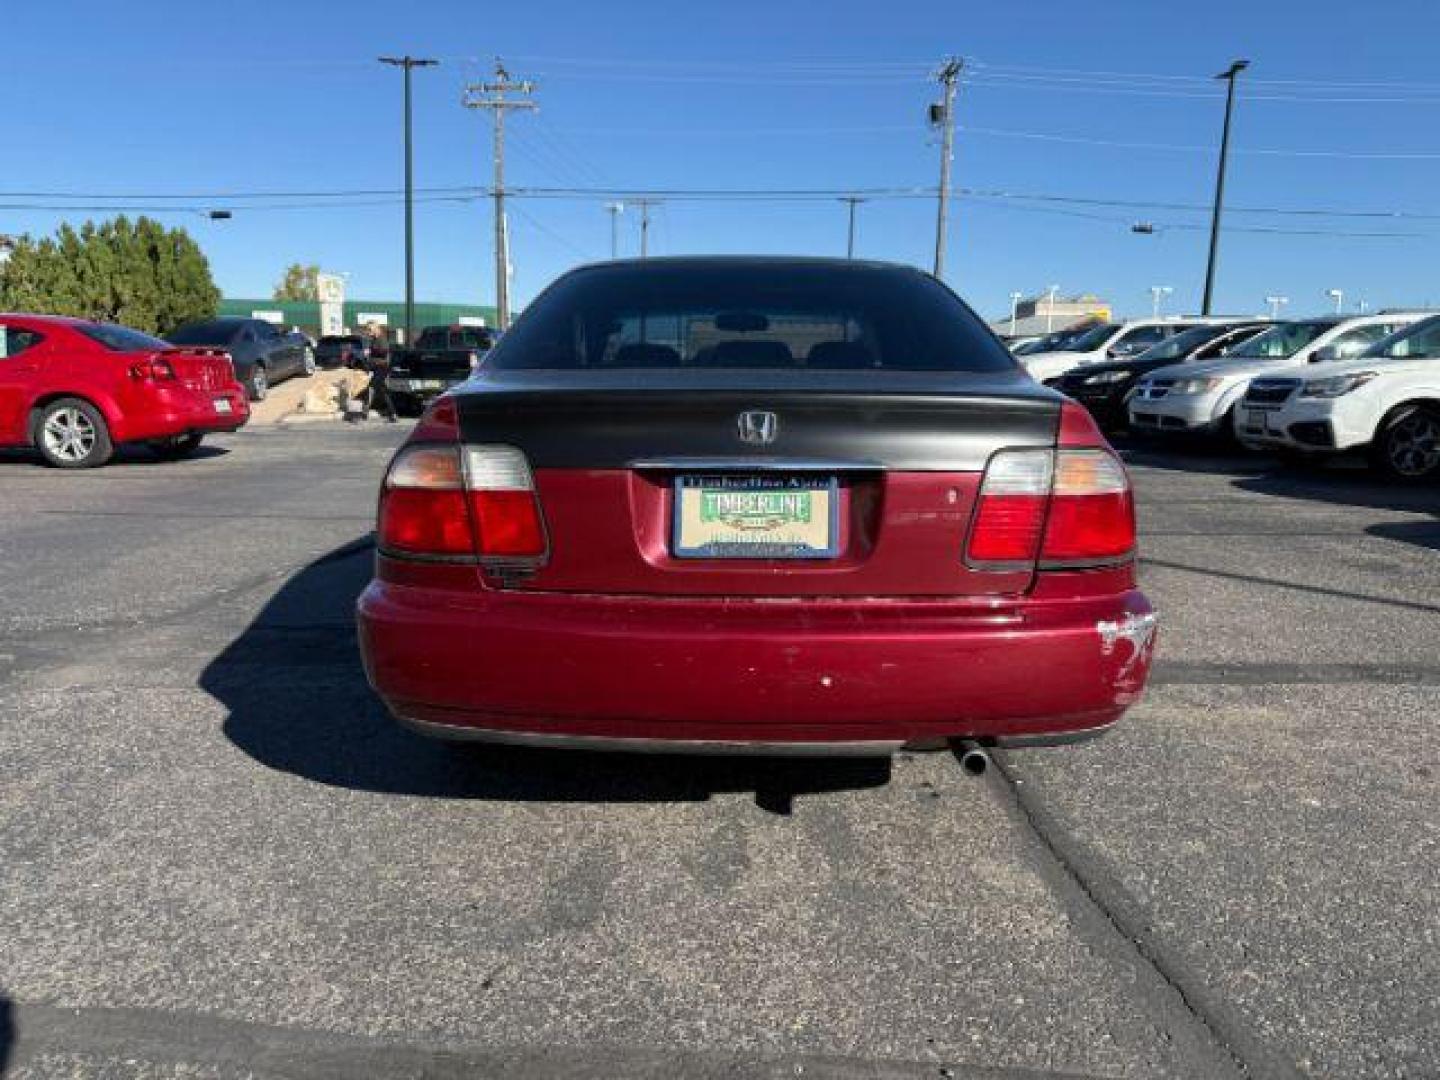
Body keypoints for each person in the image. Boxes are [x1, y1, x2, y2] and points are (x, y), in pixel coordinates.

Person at [360, 324, 398, 422]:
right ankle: (393, 414)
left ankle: (364, 412)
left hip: (382, 367)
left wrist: (370, 351)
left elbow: (384, 352)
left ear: (375, 330)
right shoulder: (374, 340)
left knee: (371, 388)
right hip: (377, 368)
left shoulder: (382, 339)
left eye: (370, 330)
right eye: (368, 331)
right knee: (383, 391)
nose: (369, 333)